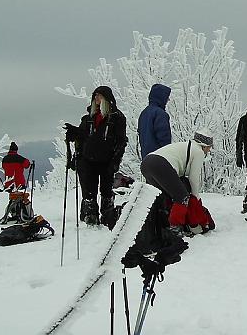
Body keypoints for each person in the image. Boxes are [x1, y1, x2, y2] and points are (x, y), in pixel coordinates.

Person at [64, 85, 128, 225]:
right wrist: (74, 133)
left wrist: (115, 160)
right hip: (88, 160)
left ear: (107, 98)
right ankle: (91, 216)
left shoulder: (117, 118)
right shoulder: (89, 118)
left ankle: (107, 216)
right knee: (89, 190)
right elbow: (84, 136)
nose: (97, 98)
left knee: (106, 190)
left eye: (100, 95)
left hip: (107, 160)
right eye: (95, 96)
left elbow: (121, 141)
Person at [141, 131, 215, 235]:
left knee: (162, 198)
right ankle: (175, 228)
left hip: (146, 163)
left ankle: (159, 226)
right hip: (161, 164)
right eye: (209, 147)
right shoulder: (198, 151)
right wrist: (195, 197)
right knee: (182, 197)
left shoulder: (185, 146)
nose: (209, 150)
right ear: (204, 145)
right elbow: (193, 178)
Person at [138, 83, 172, 159]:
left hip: (146, 158)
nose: (168, 100)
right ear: (161, 97)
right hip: (159, 158)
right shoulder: (160, 114)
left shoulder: (144, 113)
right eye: (167, 97)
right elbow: (164, 138)